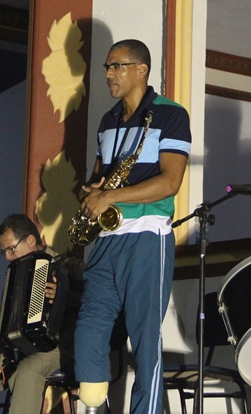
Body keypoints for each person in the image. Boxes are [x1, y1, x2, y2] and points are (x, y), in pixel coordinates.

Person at [74, 39, 191, 413]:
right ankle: (93, 400)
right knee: (89, 328)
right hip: (107, 238)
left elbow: (170, 182)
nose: (109, 73)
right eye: (107, 67)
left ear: (141, 69)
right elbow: (99, 178)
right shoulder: (108, 120)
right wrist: (91, 192)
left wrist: (110, 196)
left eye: (117, 66)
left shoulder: (171, 114)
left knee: (144, 340)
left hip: (146, 236)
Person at [0, 214, 83, 414]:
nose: (7, 257)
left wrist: (64, 295)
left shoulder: (68, 266)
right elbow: (11, 322)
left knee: (28, 370)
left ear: (30, 239)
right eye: (4, 251)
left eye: (11, 249)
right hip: (17, 352)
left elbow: (98, 305)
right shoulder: (16, 274)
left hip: (60, 348)